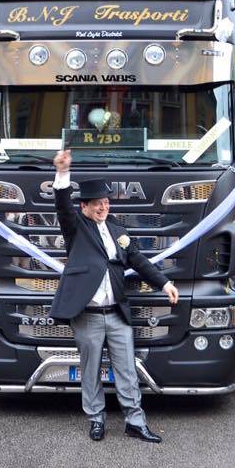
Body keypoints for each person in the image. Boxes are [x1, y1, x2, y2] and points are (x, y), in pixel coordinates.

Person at [49, 149, 179, 443]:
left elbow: (139, 260)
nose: (103, 207)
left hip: (117, 314)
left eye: (106, 202)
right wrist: (62, 172)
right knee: (91, 371)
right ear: (84, 206)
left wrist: (164, 283)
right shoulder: (76, 227)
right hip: (88, 316)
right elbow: (62, 205)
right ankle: (96, 419)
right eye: (97, 203)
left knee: (127, 371)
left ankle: (135, 421)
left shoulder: (119, 229)